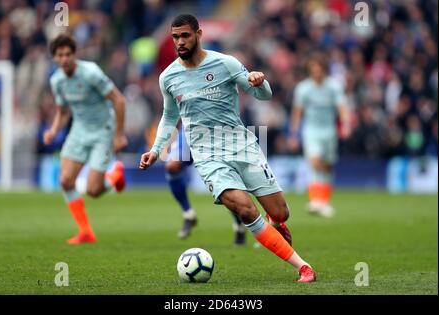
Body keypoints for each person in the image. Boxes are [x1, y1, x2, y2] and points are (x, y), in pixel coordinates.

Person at [139, 14, 316, 282]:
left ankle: (276, 223)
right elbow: (168, 116)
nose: (180, 42)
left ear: (198, 34)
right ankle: (303, 266)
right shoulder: (168, 77)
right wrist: (156, 149)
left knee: (280, 212)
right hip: (206, 154)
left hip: (241, 145)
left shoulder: (226, 63)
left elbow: (263, 94)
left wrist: (259, 81)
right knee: (245, 209)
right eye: (175, 37)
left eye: (185, 35)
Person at [43, 34, 128, 244]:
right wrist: (53, 130)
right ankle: (85, 232)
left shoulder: (91, 73)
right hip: (79, 131)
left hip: (102, 131)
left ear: (75, 55)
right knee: (65, 181)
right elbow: (63, 112)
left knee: (93, 191)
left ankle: (114, 176)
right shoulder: (57, 81)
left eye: (68, 54)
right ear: (54, 58)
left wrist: (118, 134)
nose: (64, 59)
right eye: (60, 55)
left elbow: (119, 100)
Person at [288, 53, 351, 217]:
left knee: (327, 166)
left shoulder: (334, 87)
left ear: (324, 69)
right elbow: (297, 112)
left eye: (319, 68)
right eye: (313, 68)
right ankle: (315, 200)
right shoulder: (303, 88)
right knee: (314, 162)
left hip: (329, 131)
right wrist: (294, 134)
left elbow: (342, 107)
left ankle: (324, 202)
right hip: (311, 130)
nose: (316, 71)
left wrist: (345, 125)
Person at [165, 125, 246, 244]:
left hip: (216, 132)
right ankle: (188, 214)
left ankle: (239, 224)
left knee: (223, 182)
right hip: (190, 130)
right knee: (172, 166)